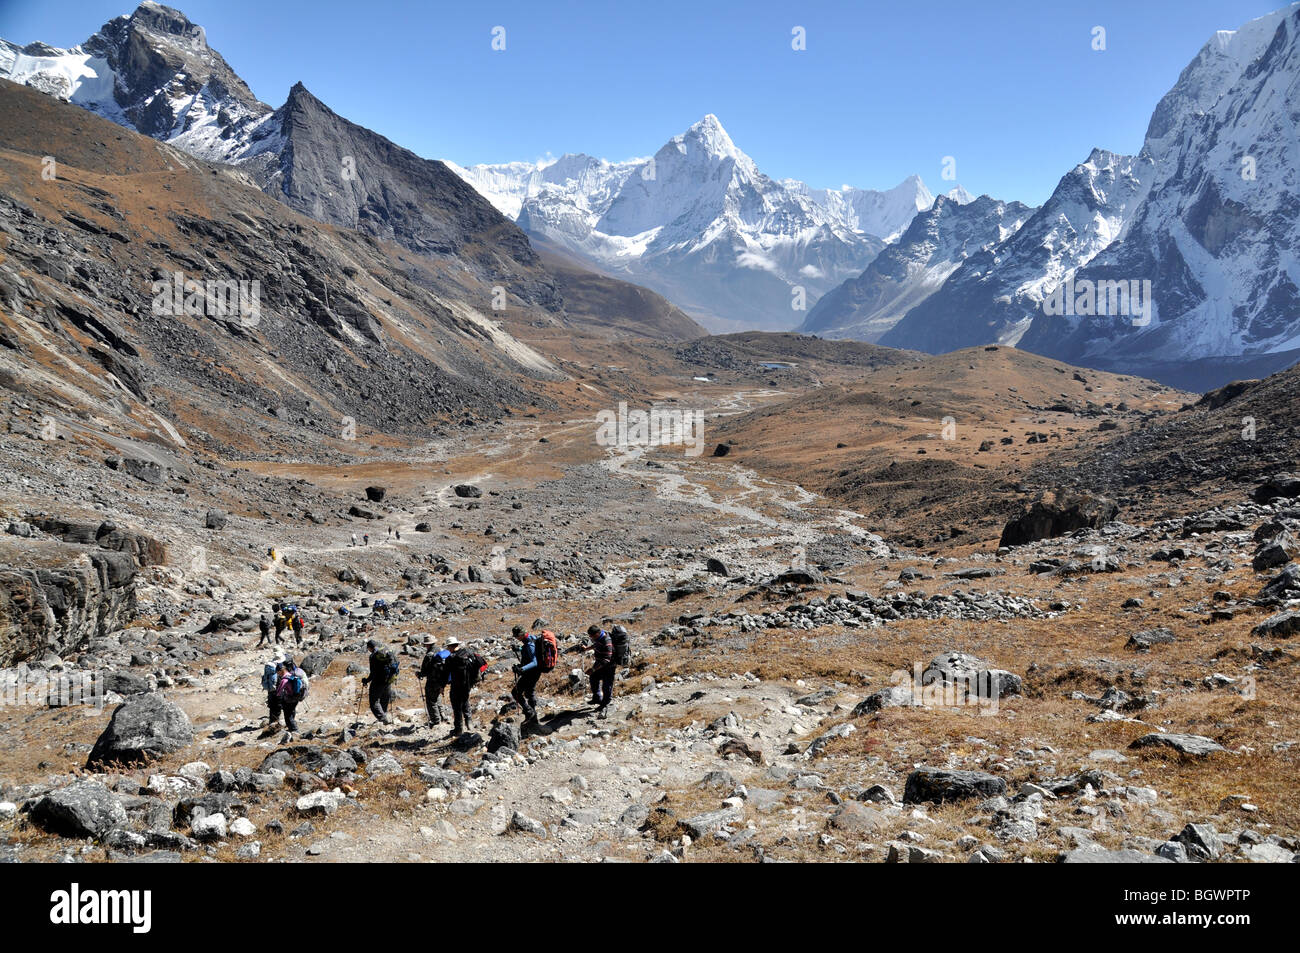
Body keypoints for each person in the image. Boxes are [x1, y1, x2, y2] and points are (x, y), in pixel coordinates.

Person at [446, 636, 482, 736]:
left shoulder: (451, 658)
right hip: (468, 684)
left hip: (456, 685)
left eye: (448, 647)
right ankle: (469, 723)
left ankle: (458, 729)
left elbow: (446, 673)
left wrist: (442, 685)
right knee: (465, 701)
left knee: (456, 705)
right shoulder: (468, 652)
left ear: (450, 647)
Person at [579, 624, 615, 715]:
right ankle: (597, 698)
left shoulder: (607, 641)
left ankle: (605, 703)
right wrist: (587, 648)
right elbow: (596, 644)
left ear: (598, 633)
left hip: (609, 666)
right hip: (599, 663)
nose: (591, 638)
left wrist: (593, 669)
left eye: (592, 636)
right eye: (590, 636)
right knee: (593, 678)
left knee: (606, 685)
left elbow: (606, 659)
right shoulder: (599, 637)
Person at [510, 624, 541, 728]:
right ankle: (533, 718)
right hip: (532, 672)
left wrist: (521, 669)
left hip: (532, 672)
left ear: (521, 634)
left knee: (517, 692)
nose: (516, 638)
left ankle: (530, 713)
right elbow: (527, 650)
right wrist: (518, 648)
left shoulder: (529, 644)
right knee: (528, 692)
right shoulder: (530, 639)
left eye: (516, 636)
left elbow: (535, 662)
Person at [362, 638, 399, 724]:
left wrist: (366, 680)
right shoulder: (385, 652)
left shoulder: (373, 656)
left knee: (374, 701)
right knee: (384, 699)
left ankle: (383, 719)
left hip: (378, 681)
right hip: (389, 680)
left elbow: (373, 673)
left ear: (370, 648)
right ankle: (384, 716)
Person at [416, 635, 451, 726]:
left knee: (431, 700)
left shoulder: (429, 655)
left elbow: (424, 671)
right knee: (437, 696)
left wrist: (418, 674)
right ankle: (442, 715)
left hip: (432, 681)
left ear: (427, 645)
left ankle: (435, 720)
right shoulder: (440, 651)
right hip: (442, 681)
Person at [276, 657, 308, 734]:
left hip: (290, 698)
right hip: (296, 697)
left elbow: (279, 692)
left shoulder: (284, 680)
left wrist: (278, 697)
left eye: (278, 672)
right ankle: (292, 727)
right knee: (292, 712)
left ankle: (294, 729)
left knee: (287, 715)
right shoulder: (291, 675)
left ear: (281, 671)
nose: (278, 674)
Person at [262, 654, 283, 729]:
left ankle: (271, 721)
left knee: (271, 706)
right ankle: (275, 724)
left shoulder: (268, 666)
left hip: (270, 688)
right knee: (278, 705)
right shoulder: (278, 666)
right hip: (277, 689)